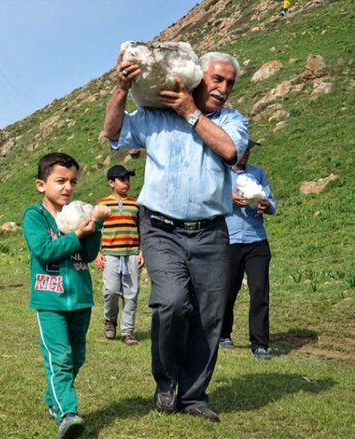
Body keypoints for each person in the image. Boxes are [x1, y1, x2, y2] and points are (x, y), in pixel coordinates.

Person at [102, 50, 249, 422]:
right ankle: (167, 381)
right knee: (170, 303)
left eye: (230, 82)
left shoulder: (232, 121)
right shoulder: (156, 116)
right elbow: (114, 133)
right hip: (161, 228)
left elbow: (230, 151)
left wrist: (191, 112)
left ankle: (194, 395)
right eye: (217, 79)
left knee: (209, 315)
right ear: (199, 77)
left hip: (211, 232)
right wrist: (121, 90)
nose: (223, 88)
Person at [23, 152, 109, 439]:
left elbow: (88, 254)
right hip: (50, 301)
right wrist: (76, 236)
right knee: (59, 357)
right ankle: (67, 413)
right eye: (60, 181)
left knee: (77, 357)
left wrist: (94, 225)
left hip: (81, 299)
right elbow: (44, 250)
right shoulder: (35, 216)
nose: (67, 188)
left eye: (72, 181)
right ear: (41, 184)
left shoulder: (77, 214)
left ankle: (54, 399)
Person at [220, 140, 277, 360]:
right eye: (242, 150)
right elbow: (208, 200)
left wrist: (266, 206)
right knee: (227, 290)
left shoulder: (257, 173)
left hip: (256, 240)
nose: (246, 154)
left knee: (260, 290)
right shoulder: (220, 173)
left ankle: (260, 344)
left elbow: (271, 201)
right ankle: (223, 334)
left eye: (248, 151)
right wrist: (229, 199)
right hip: (230, 239)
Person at [94, 165, 144, 345]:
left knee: (131, 294)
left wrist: (142, 252)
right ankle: (110, 320)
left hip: (131, 254)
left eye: (127, 179)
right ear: (111, 182)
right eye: (122, 180)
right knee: (111, 291)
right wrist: (96, 253)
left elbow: (142, 229)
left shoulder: (136, 204)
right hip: (111, 255)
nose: (126, 183)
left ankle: (128, 332)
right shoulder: (102, 204)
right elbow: (94, 230)